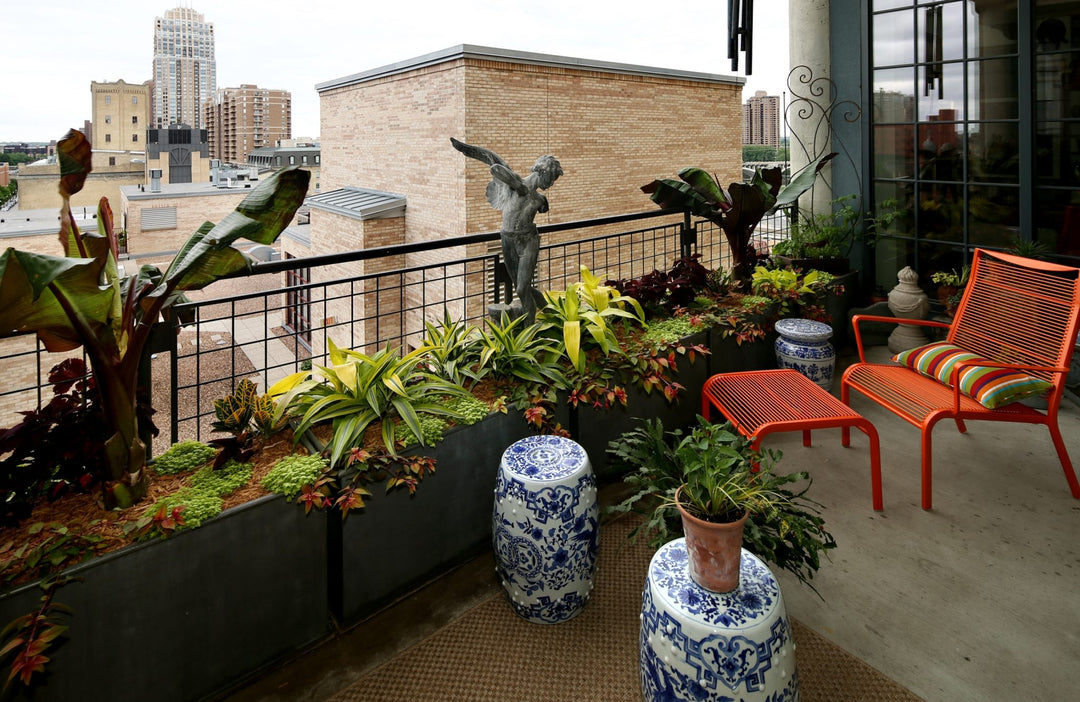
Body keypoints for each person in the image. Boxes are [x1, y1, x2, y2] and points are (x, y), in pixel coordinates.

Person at [451, 137, 563, 324]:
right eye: (552, 178)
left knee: (521, 289)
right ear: (543, 172)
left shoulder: (540, 200)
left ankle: (529, 331)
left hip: (528, 240)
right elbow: (495, 168)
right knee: (523, 286)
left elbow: (543, 209)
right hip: (507, 239)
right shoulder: (517, 186)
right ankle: (553, 313)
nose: (551, 183)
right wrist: (516, 183)